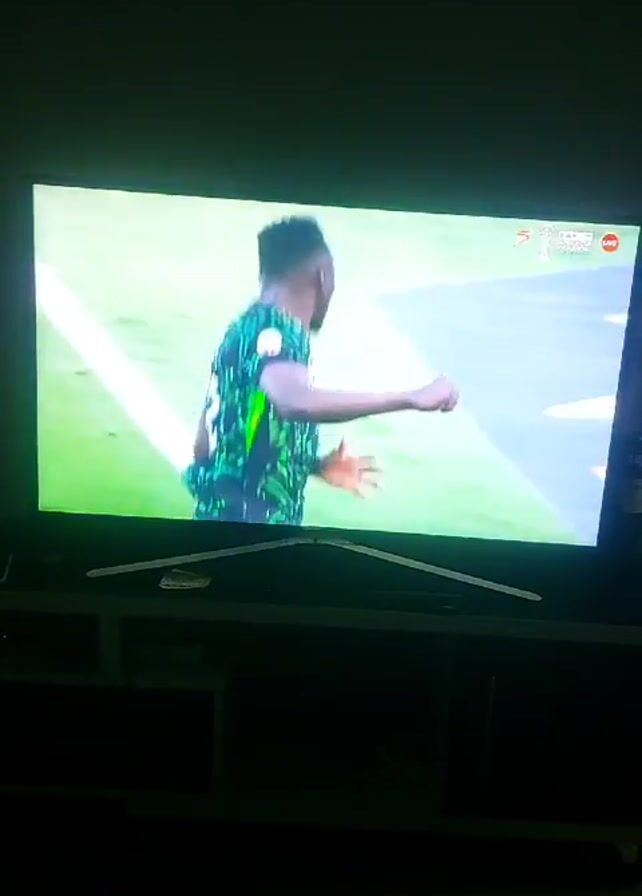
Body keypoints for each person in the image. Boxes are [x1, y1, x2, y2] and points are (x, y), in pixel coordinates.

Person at [184, 216, 459, 525]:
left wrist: (310, 465)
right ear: (323, 275)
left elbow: (207, 444)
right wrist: (410, 398)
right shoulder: (275, 332)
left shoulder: (247, 327)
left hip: (221, 522)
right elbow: (293, 401)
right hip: (250, 532)